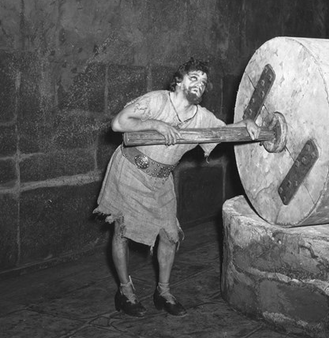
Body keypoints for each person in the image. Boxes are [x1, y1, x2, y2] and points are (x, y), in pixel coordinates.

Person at [94, 58, 260, 318]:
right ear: (179, 80)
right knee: (122, 232)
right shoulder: (157, 101)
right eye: (194, 78)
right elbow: (118, 123)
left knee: (170, 235)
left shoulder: (200, 116)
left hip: (160, 179)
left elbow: (224, 131)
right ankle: (126, 291)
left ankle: (164, 292)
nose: (199, 85)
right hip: (130, 170)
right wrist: (156, 124)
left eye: (203, 82)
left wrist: (247, 124)